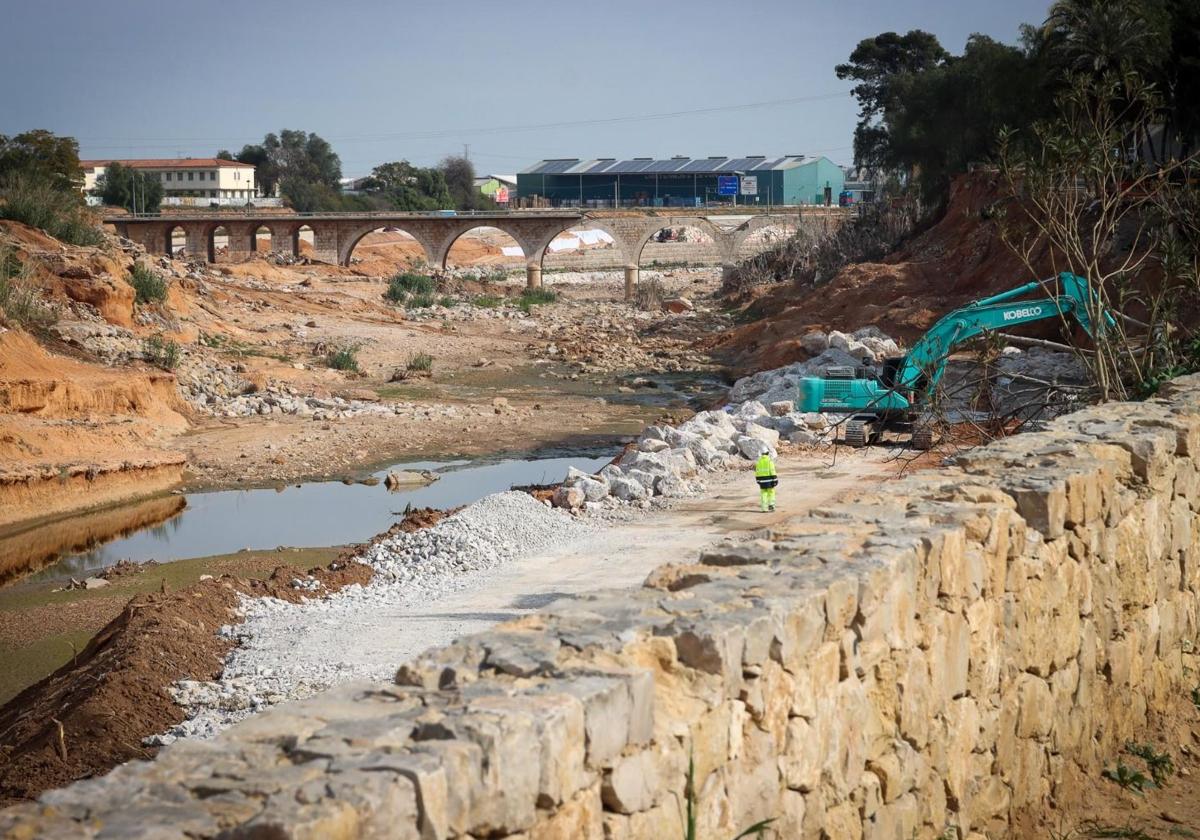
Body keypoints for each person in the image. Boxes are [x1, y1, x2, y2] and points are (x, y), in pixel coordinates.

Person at [755, 447, 778, 512]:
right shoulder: (769, 461)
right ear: (767, 453)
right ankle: (771, 505)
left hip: (762, 481)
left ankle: (764, 508)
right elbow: (772, 470)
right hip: (770, 480)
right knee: (771, 492)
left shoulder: (759, 461)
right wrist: (775, 479)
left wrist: (757, 480)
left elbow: (757, 471)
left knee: (763, 494)